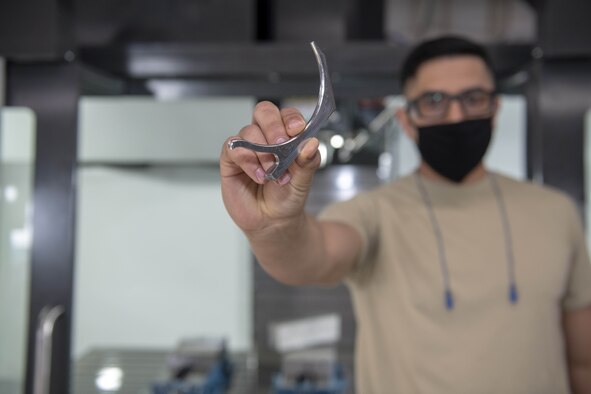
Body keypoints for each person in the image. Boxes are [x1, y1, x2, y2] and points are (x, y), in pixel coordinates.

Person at [220, 36, 591, 393]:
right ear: (406, 120)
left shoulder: (557, 214)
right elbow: (310, 257)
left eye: (473, 98)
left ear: (495, 109)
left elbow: (582, 361)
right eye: (434, 100)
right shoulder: (374, 212)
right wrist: (274, 228)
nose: (456, 115)